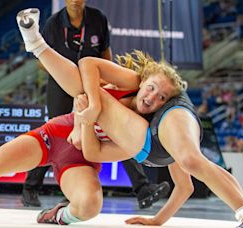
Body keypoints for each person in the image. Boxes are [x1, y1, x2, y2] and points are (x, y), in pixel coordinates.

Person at [15, 8, 243, 227]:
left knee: (189, 158)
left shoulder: (150, 102)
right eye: (151, 89)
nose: (151, 97)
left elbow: (89, 65)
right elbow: (185, 186)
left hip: (155, 138)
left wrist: (87, 115)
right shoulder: (137, 97)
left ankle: (36, 44)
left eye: (159, 96)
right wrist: (158, 220)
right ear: (144, 82)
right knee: (190, 159)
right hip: (151, 146)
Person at [22, 0, 169, 210]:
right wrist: (70, 75)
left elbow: (105, 54)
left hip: (94, 81)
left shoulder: (97, 18)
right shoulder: (54, 22)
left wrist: (103, 81)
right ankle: (30, 188)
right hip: (63, 82)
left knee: (119, 131)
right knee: (55, 132)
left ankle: (142, 188)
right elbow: (43, 62)